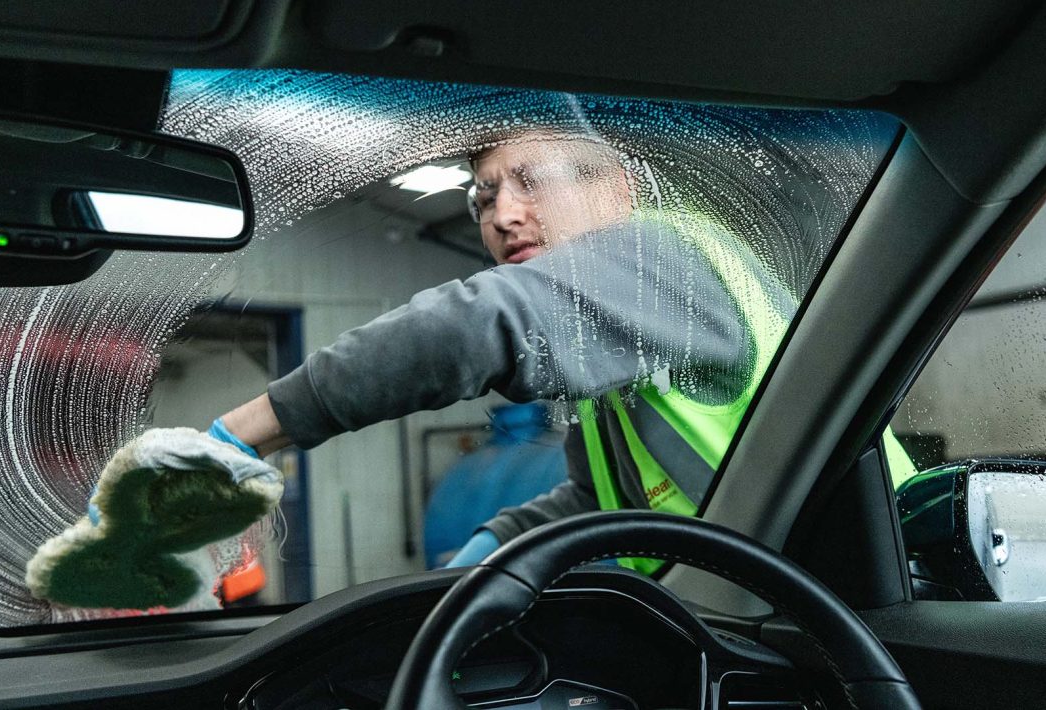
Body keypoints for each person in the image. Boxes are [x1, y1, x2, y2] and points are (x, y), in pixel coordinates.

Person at [206, 103, 914, 572]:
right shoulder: (622, 349)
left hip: (880, 586)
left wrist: (243, 435)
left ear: (616, 190)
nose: (503, 214)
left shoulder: (661, 260)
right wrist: (493, 548)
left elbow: (474, 324)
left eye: (529, 182)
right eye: (484, 196)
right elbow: (600, 497)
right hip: (771, 608)